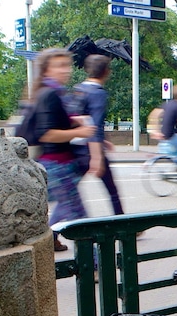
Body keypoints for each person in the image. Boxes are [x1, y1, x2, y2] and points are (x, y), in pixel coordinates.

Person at [31, 47, 96, 251]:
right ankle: (95, 267)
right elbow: (47, 133)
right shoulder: (50, 94)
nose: (66, 70)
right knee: (80, 218)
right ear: (46, 70)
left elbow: (54, 124)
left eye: (67, 65)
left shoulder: (54, 93)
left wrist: (73, 121)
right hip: (57, 165)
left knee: (66, 208)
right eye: (60, 66)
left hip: (60, 164)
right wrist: (80, 132)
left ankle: (47, 240)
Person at [68, 55, 124, 216]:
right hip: (90, 149)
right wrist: (97, 157)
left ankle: (55, 232)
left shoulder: (79, 89)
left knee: (70, 193)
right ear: (106, 72)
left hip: (75, 147)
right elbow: (95, 124)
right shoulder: (98, 93)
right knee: (112, 191)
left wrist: (104, 140)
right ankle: (123, 227)